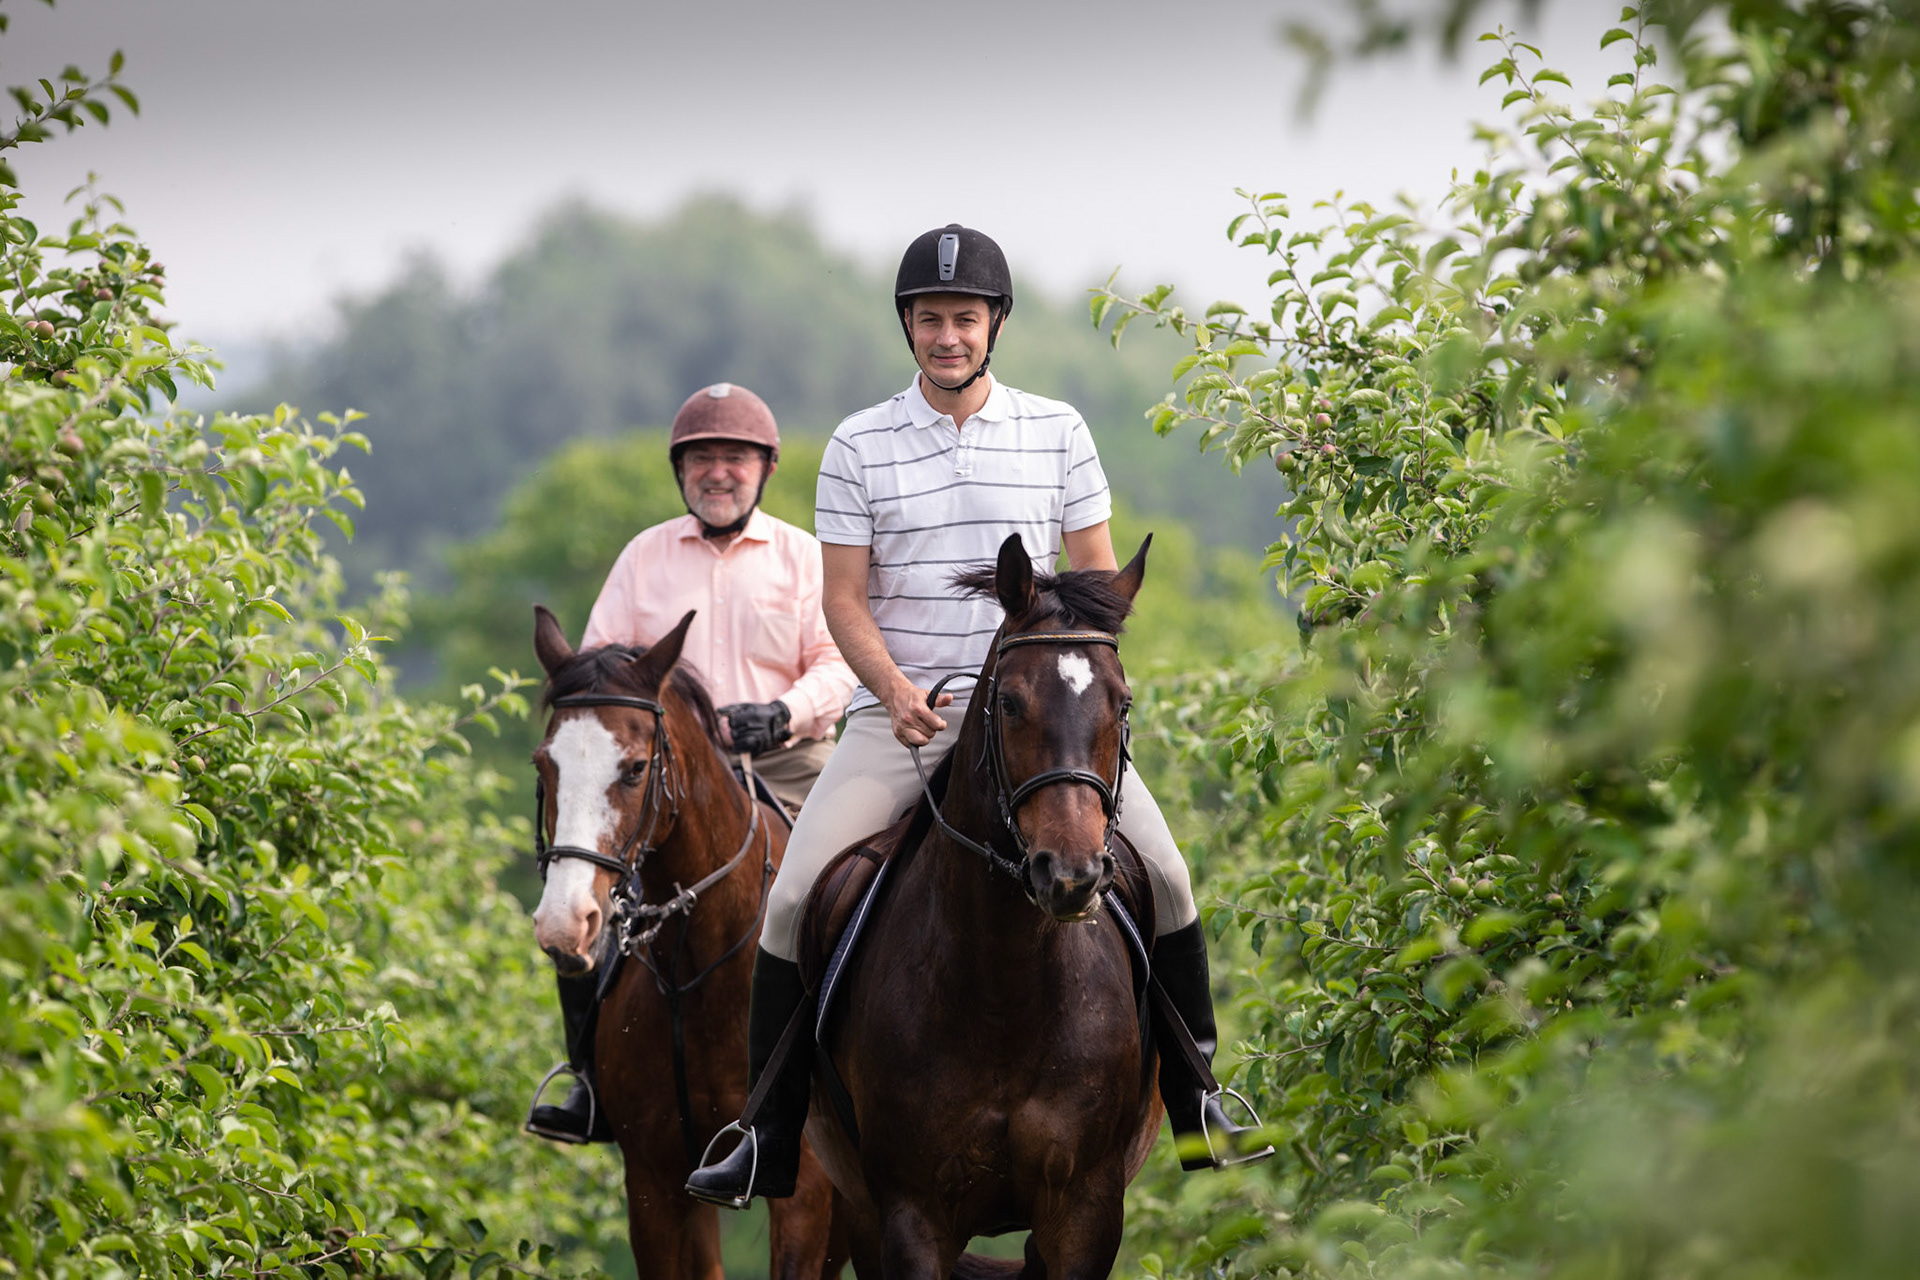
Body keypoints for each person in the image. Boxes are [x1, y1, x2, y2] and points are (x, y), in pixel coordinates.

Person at [685, 225, 1271, 1203]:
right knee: (791, 900)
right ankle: (766, 1132)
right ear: (907, 326)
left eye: (963, 318)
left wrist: (1084, 691)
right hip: (906, 717)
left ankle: (1204, 1100)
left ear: (993, 324)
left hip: (1044, 717)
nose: (946, 335)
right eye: (929, 318)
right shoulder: (860, 444)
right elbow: (842, 600)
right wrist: (895, 691)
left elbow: (1095, 581)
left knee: (1165, 872)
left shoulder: (1059, 430)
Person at [525, 381, 856, 1144]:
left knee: (864, 890)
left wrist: (784, 712)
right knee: (579, 895)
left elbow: (839, 661)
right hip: (665, 785)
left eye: (734, 458)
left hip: (787, 765)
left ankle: (876, 1067)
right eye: (703, 458)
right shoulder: (644, 556)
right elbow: (598, 671)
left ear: (765, 468)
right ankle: (587, 1080)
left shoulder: (805, 557)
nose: (718, 472)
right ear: (682, 471)